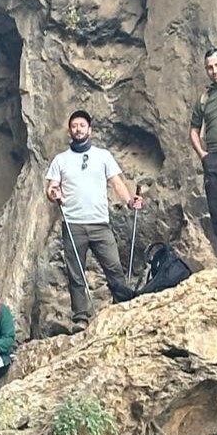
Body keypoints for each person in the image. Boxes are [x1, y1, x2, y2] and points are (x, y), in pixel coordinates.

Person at [44, 109, 143, 332]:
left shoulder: (103, 156)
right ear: (70, 130)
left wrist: (129, 201)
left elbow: (116, 182)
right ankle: (81, 317)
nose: (78, 129)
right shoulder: (61, 160)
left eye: (82, 125)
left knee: (113, 266)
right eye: (74, 126)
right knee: (75, 272)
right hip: (73, 223)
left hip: (99, 223)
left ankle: (123, 305)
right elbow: (51, 188)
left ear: (90, 129)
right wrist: (54, 194)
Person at [190, 48, 217, 266]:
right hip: (213, 157)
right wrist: (202, 154)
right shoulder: (205, 98)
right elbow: (193, 130)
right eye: (210, 67)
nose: (214, 70)